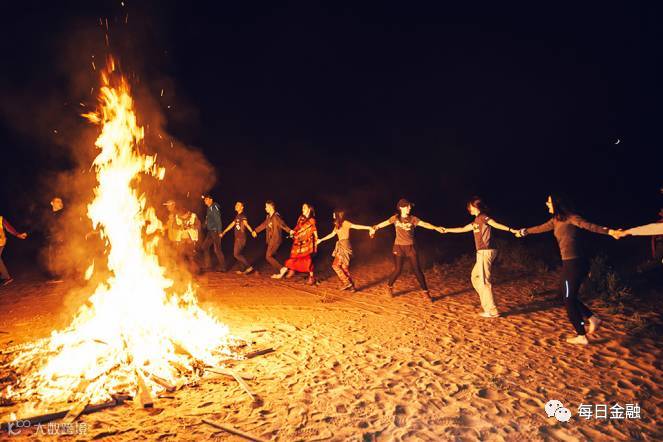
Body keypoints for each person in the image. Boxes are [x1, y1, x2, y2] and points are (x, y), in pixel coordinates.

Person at [515, 195, 621, 345]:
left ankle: (581, 334)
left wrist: (610, 232)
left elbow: (590, 226)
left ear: (557, 203)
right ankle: (592, 318)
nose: (546, 204)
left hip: (575, 263)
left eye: (549, 201)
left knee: (568, 299)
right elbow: (541, 228)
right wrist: (525, 231)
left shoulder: (572, 218)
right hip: (569, 263)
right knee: (569, 296)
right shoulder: (556, 220)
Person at [440, 197, 517, 317]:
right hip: (482, 252)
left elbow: (495, 224)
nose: (469, 208)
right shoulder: (476, 221)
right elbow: (462, 229)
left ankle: (492, 310)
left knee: (484, 281)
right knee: (475, 277)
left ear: (475, 207)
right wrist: (447, 230)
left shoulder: (483, 217)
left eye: (470, 206)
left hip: (485, 251)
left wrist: (511, 230)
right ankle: (487, 303)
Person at [371, 198, 443, 300]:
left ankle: (426, 292)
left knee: (417, 270)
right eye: (407, 206)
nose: (410, 208)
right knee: (398, 270)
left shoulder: (413, 219)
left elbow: (425, 224)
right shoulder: (395, 218)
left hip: (411, 247)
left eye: (410, 206)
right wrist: (374, 228)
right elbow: (384, 223)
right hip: (398, 247)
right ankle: (389, 286)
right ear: (401, 207)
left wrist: (436, 228)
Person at [317, 209, 373, 292]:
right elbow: (332, 234)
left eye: (334, 214)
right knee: (344, 268)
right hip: (341, 245)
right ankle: (352, 287)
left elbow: (356, 226)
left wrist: (368, 227)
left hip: (344, 245)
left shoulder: (345, 223)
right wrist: (321, 240)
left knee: (335, 265)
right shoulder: (337, 225)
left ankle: (346, 283)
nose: (333, 215)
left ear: (338, 215)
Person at [274, 203, 318, 284]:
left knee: (307, 260)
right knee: (293, 256)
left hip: (307, 242)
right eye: (302, 208)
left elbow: (312, 229)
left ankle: (311, 277)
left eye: (304, 208)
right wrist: (293, 232)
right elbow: (297, 227)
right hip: (298, 241)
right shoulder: (301, 217)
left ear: (309, 209)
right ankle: (292, 270)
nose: (302, 209)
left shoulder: (312, 220)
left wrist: (317, 239)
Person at [255, 200, 294, 277]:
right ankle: (281, 271)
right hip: (271, 239)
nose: (265, 208)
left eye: (266, 206)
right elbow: (264, 224)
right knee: (272, 256)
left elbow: (282, 224)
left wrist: (290, 231)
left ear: (270, 207)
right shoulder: (268, 217)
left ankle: (282, 269)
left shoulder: (276, 216)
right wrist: (256, 231)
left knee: (268, 256)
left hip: (275, 239)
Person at [220, 201, 257, 275]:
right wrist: (224, 232)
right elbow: (232, 224)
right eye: (236, 204)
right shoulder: (237, 216)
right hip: (238, 238)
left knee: (236, 254)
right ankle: (243, 269)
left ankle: (249, 267)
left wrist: (252, 231)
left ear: (242, 207)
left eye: (238, 205)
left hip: (241, 238)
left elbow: (246, 224)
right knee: (239, 254)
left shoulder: (242, 216)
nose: (236, 206)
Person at [0, 215, 28, 286]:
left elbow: (9, 228)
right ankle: (5, 277)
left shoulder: (0, 219)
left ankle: (6, 277)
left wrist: (18, 234)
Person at [200, 194, 226, 272]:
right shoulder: (209, 208)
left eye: (206, 199)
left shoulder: (214, 208)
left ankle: (223, 267)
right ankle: (208, 265)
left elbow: (218, 220)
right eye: (205, 200)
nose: (205, 201)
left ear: (211, 200)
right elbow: (208, 219)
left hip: (215, 231)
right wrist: (204, 225)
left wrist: (220, 232)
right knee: (205, 247)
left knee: (217, 250)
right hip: (210, 232)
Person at [174, 207, 201, 272]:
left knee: (191, 254)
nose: (183, 217)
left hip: (190, 239)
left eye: (184, 216)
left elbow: (199, 225)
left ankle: (194, 269)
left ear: (188, 213)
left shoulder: (193, 216)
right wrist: (179, 227)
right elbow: (174, 225)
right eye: (181, 216)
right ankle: (181, 268)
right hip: (181, 239)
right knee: (180, 254)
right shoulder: (177, 216)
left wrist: (193, 226)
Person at [46, 197, 65, 283]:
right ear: (52, 203)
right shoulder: (49, 215)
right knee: (52, 259)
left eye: (61, 201)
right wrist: (27, 233)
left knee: (58, 258)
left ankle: (59, 277)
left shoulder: (62, 214)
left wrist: (62, 237)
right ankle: (55, 277)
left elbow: (66, 226)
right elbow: (40, 225)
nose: (60, 203)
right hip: (52, 239)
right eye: (57, 201)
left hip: (59, 239)